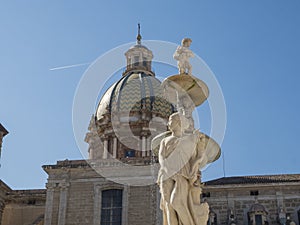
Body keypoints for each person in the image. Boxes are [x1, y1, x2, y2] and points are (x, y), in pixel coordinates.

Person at [157, 112, 209, 225]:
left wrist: (200, 148)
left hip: (182, 174)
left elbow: (196, 158)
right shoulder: (164, 141)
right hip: (166, 174)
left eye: (171, 120)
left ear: (178, 122)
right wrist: (167, 169)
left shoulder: (189, 141)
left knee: (177, 202)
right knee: (168, 206)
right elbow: (161, 157)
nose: (168, 123)